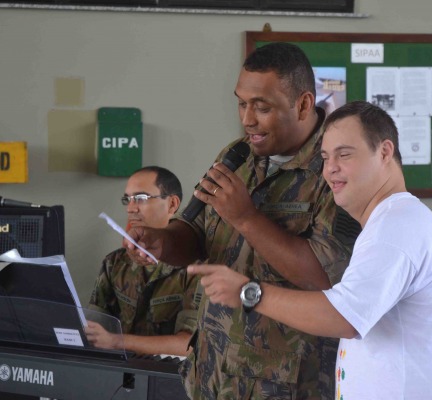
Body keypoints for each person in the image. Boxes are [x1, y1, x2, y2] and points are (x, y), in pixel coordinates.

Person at [125, 42, 358, 399]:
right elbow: (195, 236)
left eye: (261, 107)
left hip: (286, 382)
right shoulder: (238, 155)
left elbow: (326, 277)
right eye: (241, 103)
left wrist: (247, 218)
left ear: (304, 105)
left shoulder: (336, 169)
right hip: (214, 371)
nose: (247, 119)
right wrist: (160, 241)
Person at [193, 101, 432, 399]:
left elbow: (343, 317)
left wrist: (249, 293)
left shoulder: (395, 227)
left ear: (385, 152)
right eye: (325, 157)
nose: (331, 169)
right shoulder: (396, 221)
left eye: (344, 154)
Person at [87, 166, 200, 356]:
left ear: (172, 204)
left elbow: (189, 345)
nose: (131, 208)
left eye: (141, 198)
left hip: (171, 379)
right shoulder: (115, 262)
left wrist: (117, 341)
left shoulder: (196, 267)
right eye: (127, 199)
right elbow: (93, 328)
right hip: (119, 375)